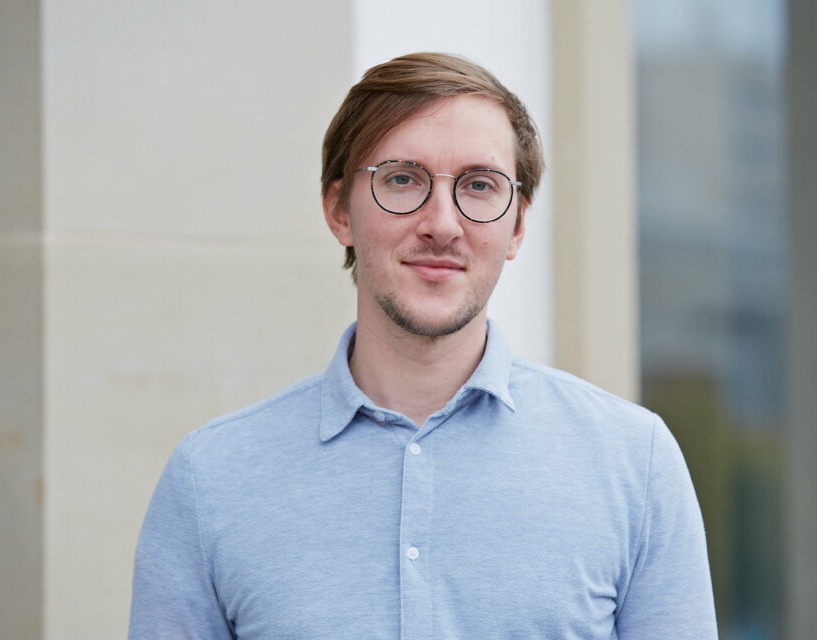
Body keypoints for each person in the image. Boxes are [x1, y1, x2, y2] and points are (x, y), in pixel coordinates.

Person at [129, 52, 717, 639]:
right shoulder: (210, 480)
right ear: (338, 210)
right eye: (403, 179)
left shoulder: (635, 464)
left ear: (515, 227)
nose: (442, 223)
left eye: (479, 185)